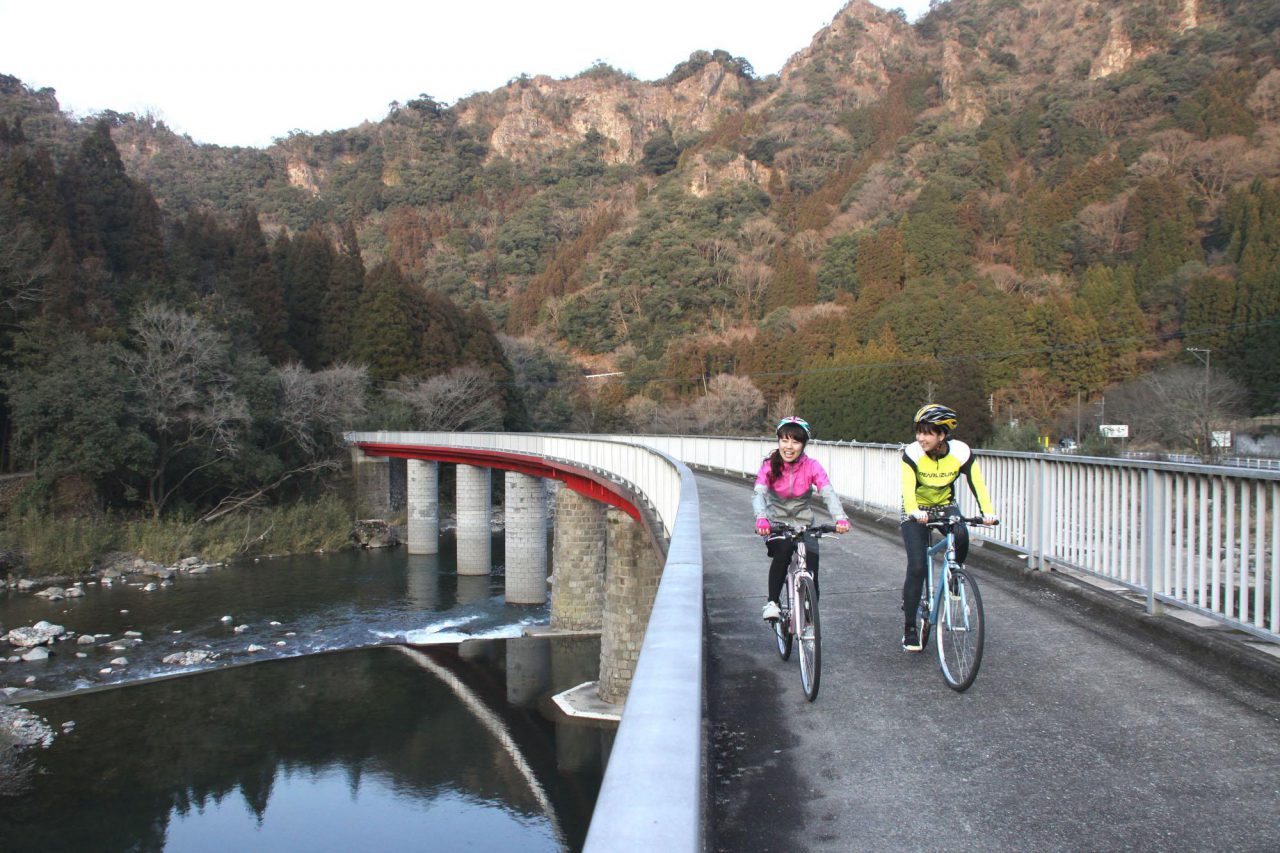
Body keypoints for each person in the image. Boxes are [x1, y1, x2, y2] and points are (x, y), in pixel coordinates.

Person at [899, 404, 998, 651]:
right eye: (919, 432)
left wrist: (988, 513)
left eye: (927, 433)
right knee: (918, 566)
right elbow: (907, 489)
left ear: (942, 435)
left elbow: (977, 483)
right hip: (916, 509)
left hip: (945, 505)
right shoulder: (912, 453)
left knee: (962, 533)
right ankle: (910, 628)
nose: (921, 438)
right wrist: (914, 511)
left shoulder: (961, 452)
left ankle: (955, 574)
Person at [753, 416, 850, 622]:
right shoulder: (769, 466)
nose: (789, 446)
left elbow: (827, 492)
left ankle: (809, 610)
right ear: (778, 441)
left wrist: (840, 518)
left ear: (804, 444)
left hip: (804, 523)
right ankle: (773, 603)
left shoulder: (812, 466)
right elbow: (759, 493)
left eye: (795, 441)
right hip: (775, 524)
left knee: (812, 564)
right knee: (785, 549)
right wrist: (762, 518)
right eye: (784, 440)